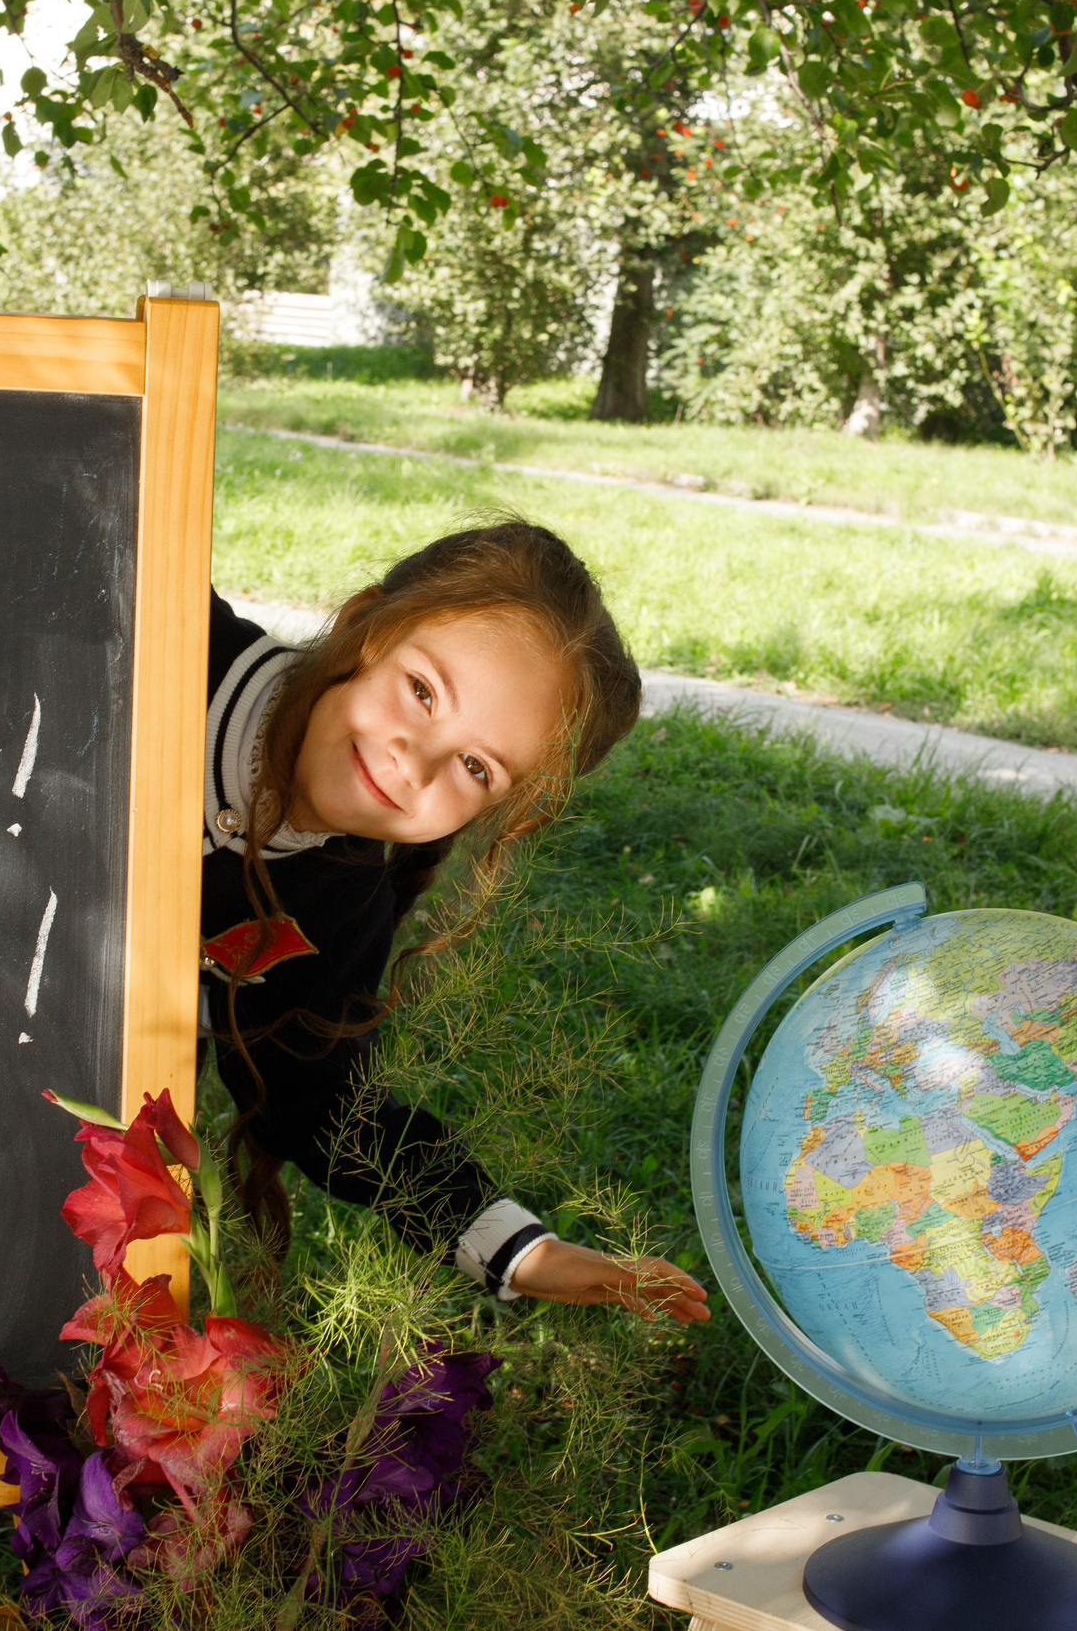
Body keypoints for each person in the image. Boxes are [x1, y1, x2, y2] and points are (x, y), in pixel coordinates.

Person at [202, 520, 708, 1321]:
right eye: (423, 691)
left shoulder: (342, 895)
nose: (418, 759)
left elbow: (321, 1096)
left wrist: (523, 1248)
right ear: (365, 622)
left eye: (477, 767)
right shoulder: (165, 637)